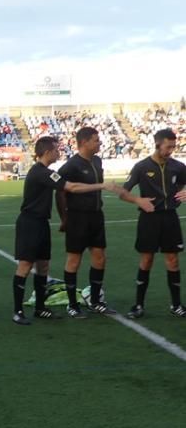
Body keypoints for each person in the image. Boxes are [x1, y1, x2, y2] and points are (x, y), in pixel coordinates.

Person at [11, 136, 118, 325]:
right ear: (47, 152)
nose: (58, 152)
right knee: (26, 265)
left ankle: (40, 308)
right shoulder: (39, 172)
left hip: (42, 222)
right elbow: (71, 187)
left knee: (43, 265)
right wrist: (102, 185)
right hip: (29, 223)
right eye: (56, 149)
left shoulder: (47, 172)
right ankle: (18, 311)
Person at [118, 128, 186, 318]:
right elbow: (124, 192)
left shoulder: (178, 166)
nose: (171, 150)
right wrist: (138, 201)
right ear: (157, 145)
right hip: (149, 219)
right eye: (168, 146)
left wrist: (182, 192)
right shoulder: (141, 167)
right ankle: (138, 305)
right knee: (147, 260)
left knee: (173, 260)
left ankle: (176, 305)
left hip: (170, 217)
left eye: (173, 146)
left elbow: (182, 183)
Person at [56, 127, 114, 318]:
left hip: (96, 216)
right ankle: (72, 305)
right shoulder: (71, 165)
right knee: (74, 260)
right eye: (96, 140)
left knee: (100, 257)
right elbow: (60, 191)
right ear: (84, 142)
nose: (99, 143)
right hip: (77, 218)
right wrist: (64, 218)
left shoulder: (97, 160)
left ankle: (96, 301)